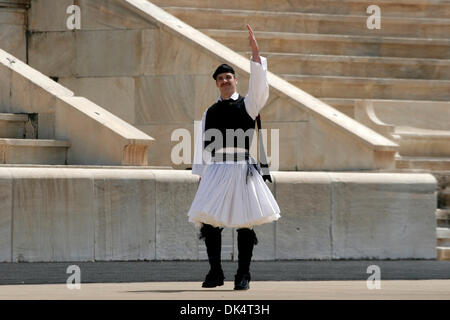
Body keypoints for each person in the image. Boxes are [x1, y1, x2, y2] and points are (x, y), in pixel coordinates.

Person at [188, 24, 281, 290]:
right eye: (220, 79)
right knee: (210, 223)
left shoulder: (249, 104)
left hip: (242, 169)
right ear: (216, 84)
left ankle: (243, 274)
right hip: (216, 169)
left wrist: (255, 54)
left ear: (235, 80)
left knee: (245, 224)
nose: (225, 81)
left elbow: (261, 86)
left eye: (229, 77)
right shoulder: (210, 111)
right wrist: (200, 177)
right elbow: (203, 144)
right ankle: (215, 272)